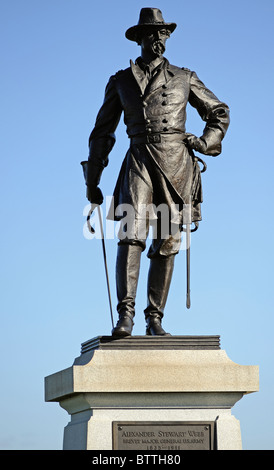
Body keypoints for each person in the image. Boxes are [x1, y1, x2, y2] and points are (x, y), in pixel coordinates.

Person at [84, 8, 230, 337]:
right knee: (130, 236)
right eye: (153, 34)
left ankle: (155, 318)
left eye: (164, 34)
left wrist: (205, 142)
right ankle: (126, 316)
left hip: (175, 164)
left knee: (166, 241)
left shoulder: (184, 77)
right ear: (140, 39)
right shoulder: (120, 81)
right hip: (138, 162)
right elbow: (102, 132)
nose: (160, 39)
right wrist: (92, 179)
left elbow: (218, 111)